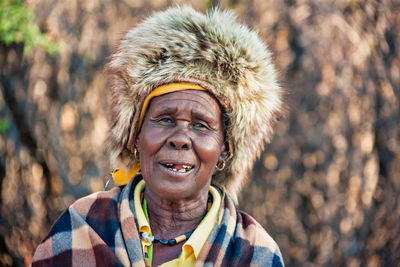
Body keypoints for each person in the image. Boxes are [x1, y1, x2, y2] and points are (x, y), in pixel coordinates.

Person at [32, 5, 285, 266]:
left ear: (224, 149)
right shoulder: (82, 227)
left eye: (201, 125)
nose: (181, 138)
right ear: (136, 136)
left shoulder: (253, 251)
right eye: (165, 119)